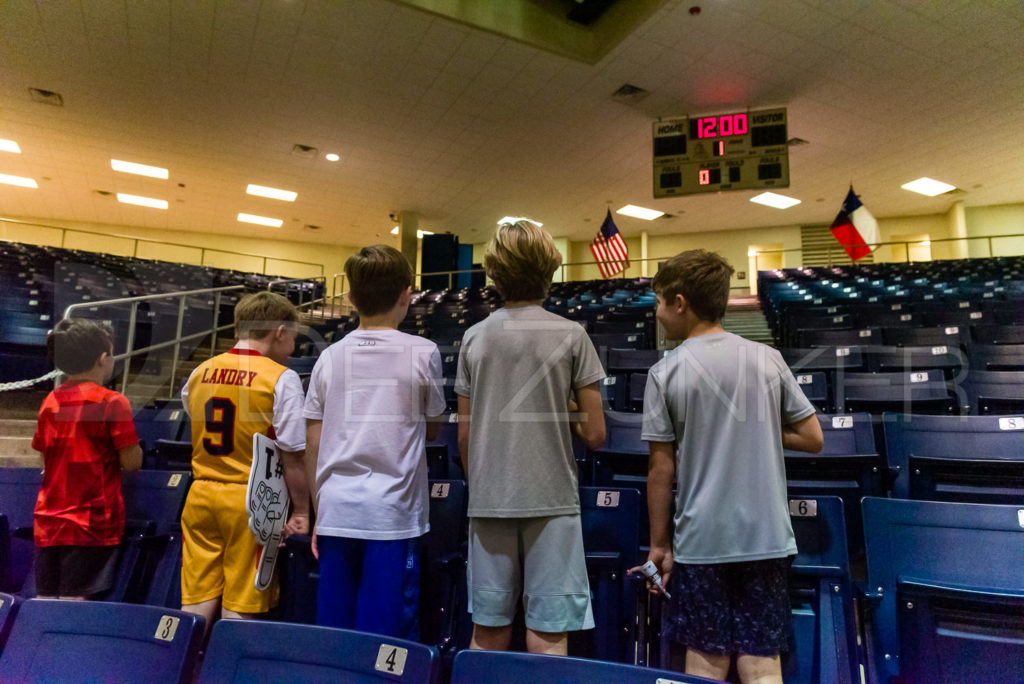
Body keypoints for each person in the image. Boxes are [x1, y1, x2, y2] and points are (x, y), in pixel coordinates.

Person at [638, 249, 824, 684]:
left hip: (702, 542)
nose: (659, 314)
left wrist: (659, 545)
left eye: (661, 303)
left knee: (704, 665)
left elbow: (660, 470)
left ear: (680, 303)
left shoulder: (665, 372)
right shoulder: (767, 359)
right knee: (762, 667)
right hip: (766, 538)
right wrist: (756, 428)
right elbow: (813, 437)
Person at [455, 219, 606, 655]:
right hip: (553, 499)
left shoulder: (472, 338)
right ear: (551, 269)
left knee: (488, 631)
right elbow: (594, 433)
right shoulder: (572, 335)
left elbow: (465, 437)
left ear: (494, 272)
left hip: (489, 498)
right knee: (548, 633)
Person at [304, 244, 446, 638]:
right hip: (392, 516)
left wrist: (320, 511)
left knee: (334, 632)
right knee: (385, 636)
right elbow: (434, 428)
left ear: (350, 298)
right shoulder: (424, 352)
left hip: (336, 510)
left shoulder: (329, 356)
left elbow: (312, 443)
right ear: (407, 294)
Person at [180, 291, 309, 634]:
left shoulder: (199, 371)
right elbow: (294, 453)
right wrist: (301, 512)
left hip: (199, 495)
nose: (294, 347)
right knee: (241, 607)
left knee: (194, 602)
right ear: (279, 331)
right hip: (250, 501)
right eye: (294, 337)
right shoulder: (281, 378)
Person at [32, 318, 143, 600]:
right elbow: (131, 463)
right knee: (75, 605)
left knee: (45, 603)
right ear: (103, 358)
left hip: (49, 520)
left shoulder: (51, 401)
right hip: (91, 521)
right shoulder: (112, 402)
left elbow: (45, 460)